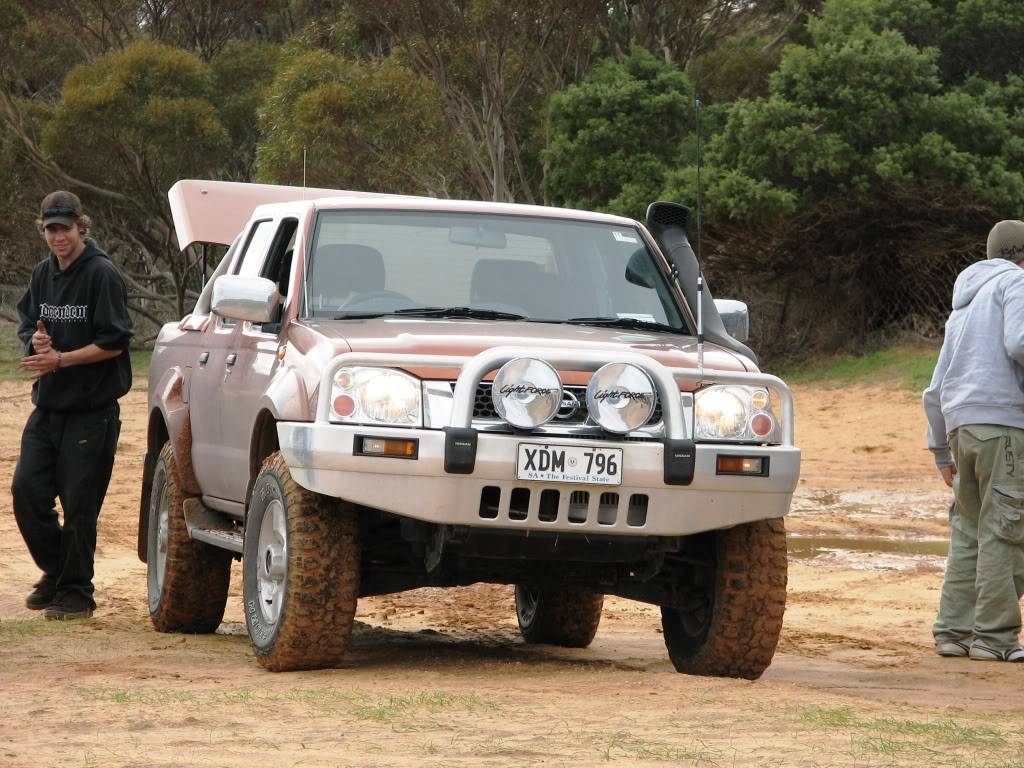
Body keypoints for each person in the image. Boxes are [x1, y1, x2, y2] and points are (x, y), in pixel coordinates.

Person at [11, 190, 133, 620]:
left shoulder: (101, 274)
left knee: (80, 504)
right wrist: (37, 340)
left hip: (92, 410)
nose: (58, 236)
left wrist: (61, 359)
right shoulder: (43, 274)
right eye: (50, 229)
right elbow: (29, 320)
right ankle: (60, 570)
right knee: (26, 492)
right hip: (48, 407)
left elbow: (116, 342)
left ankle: (76, 592)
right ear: (42, 230)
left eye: (65, 227)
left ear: (82, 225)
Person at [923, 219, 1024, 662]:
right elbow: (1020, 343)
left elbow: (935, 385)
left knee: (968, 530)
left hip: (960, 426)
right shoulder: (1016, 283)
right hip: (1003, 425)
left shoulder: (964, 302)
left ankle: (955, 631)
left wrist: (940, 448)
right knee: (1005, 530)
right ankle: (995, 639)